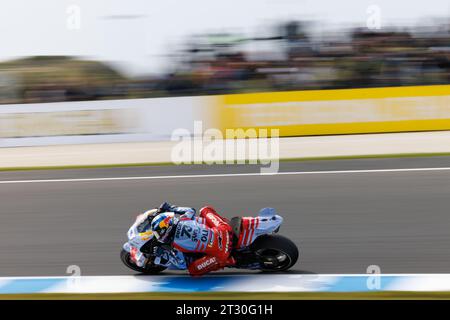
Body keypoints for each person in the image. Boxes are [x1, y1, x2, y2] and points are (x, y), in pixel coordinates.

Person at [149, 202, 235, 276]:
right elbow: (191, 210)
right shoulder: (183, 219)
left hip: (221, 252)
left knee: (193, 270)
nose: (159, 236)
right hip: (224, 230)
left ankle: (228, 261)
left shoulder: (175, 245)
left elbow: (182, 264)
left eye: (159, 232)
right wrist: (172, 208)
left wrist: (164, 254)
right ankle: (228, 223)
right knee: (204, 209)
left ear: (167, 230)